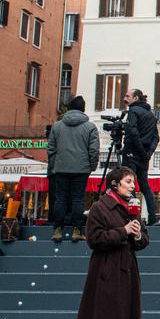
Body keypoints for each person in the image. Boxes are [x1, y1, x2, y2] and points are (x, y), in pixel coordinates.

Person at [74, 166, 149, 319]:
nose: (133, 186)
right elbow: (94, 239)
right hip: (106, 272)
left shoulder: (132, 208)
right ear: (115, 183)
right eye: (128, 182)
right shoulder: (100, 207)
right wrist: (123, 231)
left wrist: (137, 235)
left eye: (133, 182)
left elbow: (144, 239)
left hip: (125, 270)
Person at [48, 95, 99, 242]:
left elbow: (51, 148)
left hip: (61, 167)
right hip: (81, 168)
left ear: (69, 108)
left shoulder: (57, 126)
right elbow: (94, 150)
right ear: (83, 109)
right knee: (78, 199)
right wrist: (92, 166)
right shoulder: (90, 127)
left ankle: (57, 230)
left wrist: (54, 165)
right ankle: (77, 230)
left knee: (60, 198)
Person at [122, 88, 160, 226]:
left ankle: (134, 218)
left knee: (129, 185)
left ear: (135, 98)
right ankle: (152, 217)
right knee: (145, 186)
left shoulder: (133, 111)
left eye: (128, 96)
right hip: (144, 157)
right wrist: (148, 153)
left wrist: (139, 151)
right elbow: (156, 137)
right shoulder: (150, 115)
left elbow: (132, 132)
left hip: (132, 153)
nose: (125, 98)